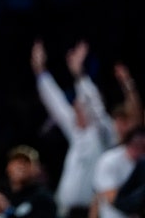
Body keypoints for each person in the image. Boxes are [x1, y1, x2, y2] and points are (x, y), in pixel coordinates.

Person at [30, 39, 114, 217]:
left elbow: (95, 107)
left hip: (91, 212)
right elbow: (55, 101)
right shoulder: (76, 132)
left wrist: (79, 74)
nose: (74, 107)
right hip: (64, 211)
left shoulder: (102, 132)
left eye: (79, 104)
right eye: (74, 104)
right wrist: (39, 70)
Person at [0, 145, 57, 218]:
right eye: (16, 162)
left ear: (36, 170)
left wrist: (7, 210)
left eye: (26, 162)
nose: (21, 166)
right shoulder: (1, 193)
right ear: (8, 168)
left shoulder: (44, 199)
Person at [92, 125, 145, 218]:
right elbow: (111, 198)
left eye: (143, 147)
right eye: (136, 145)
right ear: (129, 143)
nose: (139, 150)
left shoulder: (141, 162)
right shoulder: (110, 160)